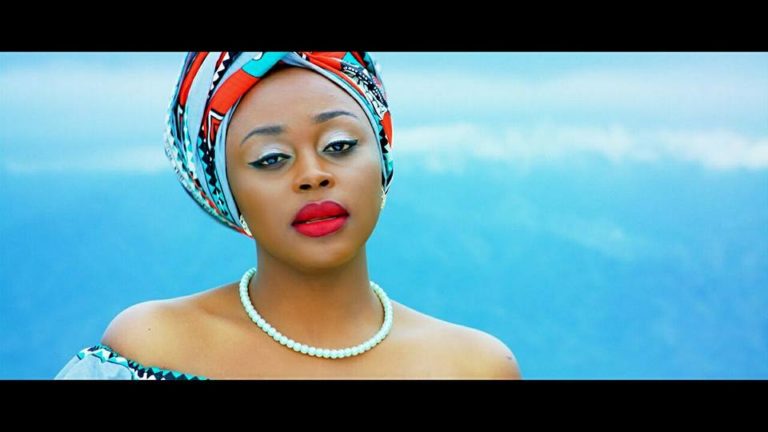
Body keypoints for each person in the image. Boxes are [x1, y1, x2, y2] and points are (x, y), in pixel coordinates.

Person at [55, 51, 522, 380]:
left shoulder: (476, 367)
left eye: (339, 146)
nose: (313, 175)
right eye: (271, 158)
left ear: (383, 160)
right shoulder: (151, 350)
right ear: (226, 192)